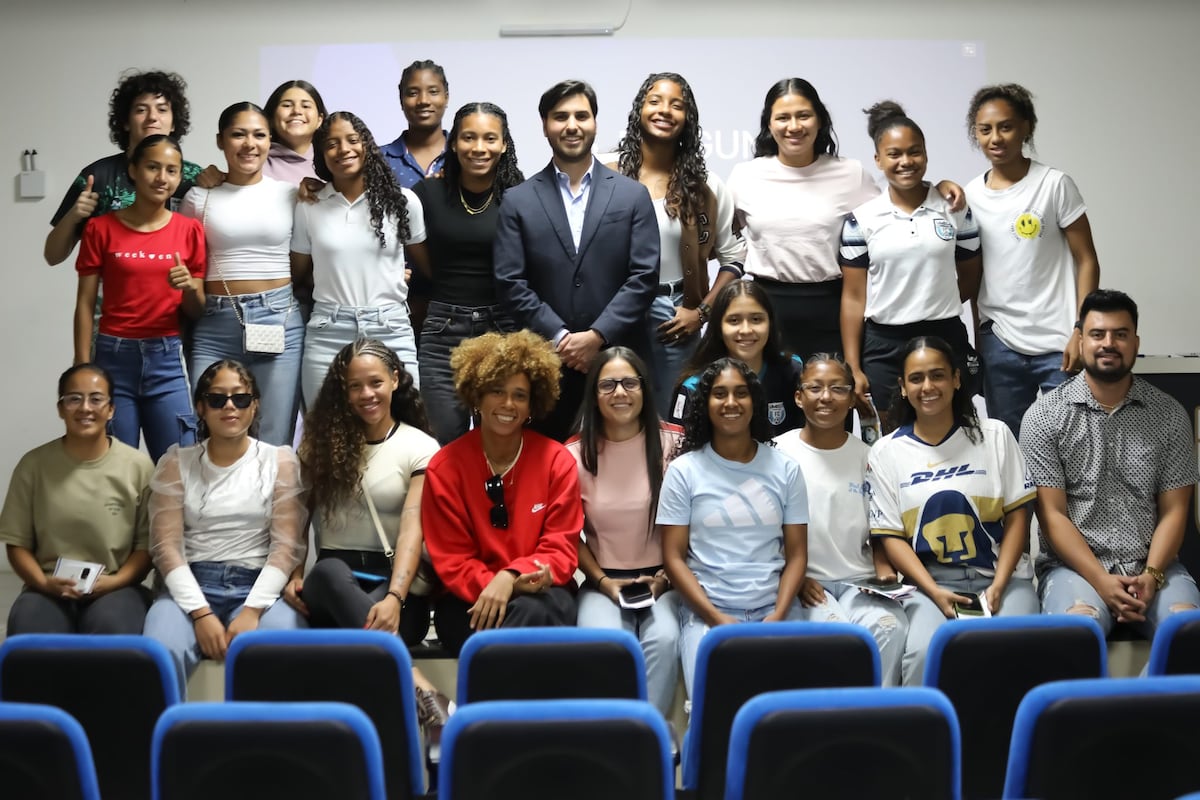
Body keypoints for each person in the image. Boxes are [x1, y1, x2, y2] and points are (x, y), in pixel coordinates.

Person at [729, 78, 963, 361]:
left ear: (820, 120)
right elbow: (724, 241)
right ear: (769, 124)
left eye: (804, 115)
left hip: (833, 309)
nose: (794, 126)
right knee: (767, 402)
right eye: (783, 117)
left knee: (831, 402)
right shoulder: (745, 177)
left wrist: (936, 188)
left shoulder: (851, 174)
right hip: (765, 309)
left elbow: (896, 207)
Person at [1021, 289, 1199, 634]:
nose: (1109, 343)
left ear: (1135, 342)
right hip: (1073, 571)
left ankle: (1145, 691)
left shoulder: (1169, 414)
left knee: (1186, 630)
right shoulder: (1044, 416)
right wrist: (1102, 581)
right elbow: (1052, 515)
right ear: (1080, 340)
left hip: (1155, 568)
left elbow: (1175, 511)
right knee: (1077, 631)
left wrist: (1152, 575)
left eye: (1120, 334)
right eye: (1098, 334)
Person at [293, 338, 450, 727]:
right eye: (355, 386)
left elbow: (413, 529)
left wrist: (395, 597)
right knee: (328, 573)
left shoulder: (420, 446)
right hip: (330, 590)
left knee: (369, 623)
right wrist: (294, 572)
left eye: (376, 382)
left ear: (395, 380)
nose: (367, 394)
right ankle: (418, 686)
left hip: (397, 590)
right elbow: (295, 520)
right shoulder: (318, 446)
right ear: (342, 391)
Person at [494, 79, 660, 441]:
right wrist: (563, 338)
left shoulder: (632, 196)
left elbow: (645, 276)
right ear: (544, 125)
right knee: (552, 470)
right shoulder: (518, 200)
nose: (572, 125)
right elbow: (510, 281)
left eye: (581, 116)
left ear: (595, 123)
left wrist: (597, 335)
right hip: (547, 363)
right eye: (560, 116)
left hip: (621, 358)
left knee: (627, 461)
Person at [867, 336, 1038, 685]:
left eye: (937, 375)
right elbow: (891, 538)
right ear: (902, 387)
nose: (927, 387)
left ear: (957, 379)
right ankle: (923, 738)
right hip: (930, 585)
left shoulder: (996, 435)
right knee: (921, 655)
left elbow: (1020, 517)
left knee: (1020, 650)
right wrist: (933, 591)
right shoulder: (886, 452)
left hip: (1003, 580)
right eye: (916, 378)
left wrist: (999, 586)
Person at [143, 360, 306, 699]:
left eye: (240, 398)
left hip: (258, 585)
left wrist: (252, 610)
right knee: (158, 653)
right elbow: (166, 549)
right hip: (189, 586)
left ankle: (259, 748)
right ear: (201, 407)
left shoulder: (280, 461)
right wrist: (200, 613)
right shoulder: (176, 462)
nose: (229, 406)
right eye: (217, 399)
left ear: (255, 405)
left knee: (279, 652)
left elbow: (286, 548)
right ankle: (167, 748)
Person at [422, 331, 581, 656]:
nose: (508, 404)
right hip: (470, 600)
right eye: (497, 391)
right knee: (518, 624)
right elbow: (451, 560)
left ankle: (481, 704)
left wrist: (510, 577)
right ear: (477, 396)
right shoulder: (445, 466)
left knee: (536, 613)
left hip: (542, 593)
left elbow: (560, 547)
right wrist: (492, 583)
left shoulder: (556, 461)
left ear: (532, 405)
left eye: (520, 395)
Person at [658, 357, 811, 696]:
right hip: (707, 610)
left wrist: (780, 614)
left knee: (791, 711)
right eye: (720, 394)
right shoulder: (684, 471)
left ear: (754, 401)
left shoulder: (786, 468)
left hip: (777, 607)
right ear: (705, 403)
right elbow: (673, 558)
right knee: (713, 713)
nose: (730, 403)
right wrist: (714, 617)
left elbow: (798, 555)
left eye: (741, 393)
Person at [966, 83, 1100, 434]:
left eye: (1006, 126)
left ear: (1026, 127)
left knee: (1072, 443)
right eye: (985, 129)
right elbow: (974, 274)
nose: (996, 138)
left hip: (1060, 342)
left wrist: (1081, 331)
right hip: (1000, 342)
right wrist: (982, 340)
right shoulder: (969, 196)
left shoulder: (1054, 184)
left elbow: (1087, 259)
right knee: (1010, 447)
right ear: (976, 134)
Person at [612, 72, 746, 416]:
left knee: (674, 413)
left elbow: (733, 260)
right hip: (614, 310)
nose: (665, 110)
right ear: (639, 110)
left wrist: (700, 312)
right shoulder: (606, 175)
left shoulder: (706, 186)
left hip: (672, 314)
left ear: (688, 118)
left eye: (677, 105)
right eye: (655, 101)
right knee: (616, 407)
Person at [839, 101, 981, 424]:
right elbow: (852, 298)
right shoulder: (861, 220)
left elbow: (971, 278)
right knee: (892, 441)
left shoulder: (956, 209)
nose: (906, 161)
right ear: (878, 159)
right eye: (894, 154)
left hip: (946, 336)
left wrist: (931, 299)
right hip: (884, 344)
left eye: (914, 152)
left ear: (927, 155)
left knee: (956, 431)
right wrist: (853, 365)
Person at [774, 354, 907, 686]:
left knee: (891, 627)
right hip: (806, 584)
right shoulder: (777, 452)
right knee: (839, 637)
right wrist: (793, 576)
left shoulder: (868, 456)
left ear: (851, 399)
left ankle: (877, 717)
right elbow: (765, 531)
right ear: (798, 396)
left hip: (858, 582)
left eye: (837, 388)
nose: (826, 397)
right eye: (815, 388)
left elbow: (880, 526)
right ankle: (836, 722)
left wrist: (884, 569)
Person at [74, 134, 206, 463]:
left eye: (172, 171)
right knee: (114, 468)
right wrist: (82, 366)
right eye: (153, 167)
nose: (162, 178)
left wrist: (189, 287)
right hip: (113, 356)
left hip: (167, 358)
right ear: (133, 170)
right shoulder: (100, 229)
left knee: (179, 466)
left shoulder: (189, 230)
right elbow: (85, 304)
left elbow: (197, 308)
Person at [566, 347, 682, 716]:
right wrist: (600, 581)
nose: (620, 393)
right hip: (603, 581)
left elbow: (693, 522)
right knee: (604, 642)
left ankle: (648, 737)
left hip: (666, 580)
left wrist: (664, 579)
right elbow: (569, 535)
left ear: (646, 389)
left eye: (630, 383)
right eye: (608, 385)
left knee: (665, 639)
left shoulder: (675, 444)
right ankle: (612, 736)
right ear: (594, 395)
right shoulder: (572, 455)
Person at [180, 103, 302, 446]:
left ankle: (276, 502)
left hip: (279, 320)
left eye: (259, 135)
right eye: (238, 134)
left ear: (270, 142)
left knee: (274, 437)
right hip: (215, 324)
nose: (249, 143)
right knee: (204, 433)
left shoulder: (290, 194)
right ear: (221, 141)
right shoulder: (198, 196)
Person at [0, 364, 154, 635]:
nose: (85, 408)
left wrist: (116, 581)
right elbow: (17, 543)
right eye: (74, 399)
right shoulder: (34, 465)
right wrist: (43, 583)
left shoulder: (138, 466)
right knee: (30, 631)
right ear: (60, 408)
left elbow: (145, 548)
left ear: (111, 409)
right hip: (47, 588)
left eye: (96, 399)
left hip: (117, 588)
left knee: (111, 628)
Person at [291, 111, 428, 407]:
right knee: (322, 430)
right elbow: (298, 274)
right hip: (329, 327)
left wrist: (396, 278)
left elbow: (427, 267)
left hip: (389, 325)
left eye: (353, 140)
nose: (343, 150)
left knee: (409, 421)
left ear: (368, 145)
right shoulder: (310, 205)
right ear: (321, 154)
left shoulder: (402, 201)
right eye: (332, 144)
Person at [413, 102, 524, 444]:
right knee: (445, 441)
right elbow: (420, 256)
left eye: (490, 138)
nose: (479, 148)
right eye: (469, 138)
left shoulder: (521, 196)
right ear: (454, 143)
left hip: (503, 327)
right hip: (443, 329)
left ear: (504, 144)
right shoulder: (427, 194)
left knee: (502, 436)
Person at [45, 69, 200, 267]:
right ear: (126, 122)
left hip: (175, 296)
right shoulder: (97, 176)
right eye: (141, 110)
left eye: (162, 109)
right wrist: (73, 215)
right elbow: (52, 256)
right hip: (112, 295)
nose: (152, 117)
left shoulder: (193, 178)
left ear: (173, 122)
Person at [669, 279, 803, 437]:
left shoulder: (791, 369)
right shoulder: (694, 386)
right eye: (734, 321)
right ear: (719, 327)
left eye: (756, 319)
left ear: (770, 324)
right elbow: (680, 450)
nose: (746, 330)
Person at [382, 59, 451, 340]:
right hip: (394, 298)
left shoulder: (470, 156)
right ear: (401, 99)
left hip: (457, 296)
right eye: (413, 92)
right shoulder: (378, 160)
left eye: (433, 91)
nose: (423, 100)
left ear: (447, 96)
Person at [263, 80, 327, 184]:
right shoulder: (253, 164)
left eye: (306, 106)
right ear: (271, 119)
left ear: (319, 120)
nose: (297, 111)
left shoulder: (332, 165)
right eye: (287, 105)